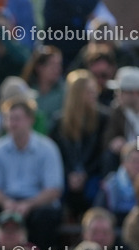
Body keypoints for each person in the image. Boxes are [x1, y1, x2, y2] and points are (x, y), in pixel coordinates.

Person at [0, 97, 64, 248]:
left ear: (30, 120)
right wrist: (6, 202)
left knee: (45, 217)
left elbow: (54, 189)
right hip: (6, 203)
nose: (12, 123)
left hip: (37, 204)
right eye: (9, 119)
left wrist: (29, 204)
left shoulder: (48, 149)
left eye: (17, 119)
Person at [51, 69, 109, 216]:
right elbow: (56, 155)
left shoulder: (103, 119)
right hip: (67, 175)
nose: (94, 94)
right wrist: (69, 174)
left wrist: (85, 174)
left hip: (92, 174)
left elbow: (102, 154)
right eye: (89, 91)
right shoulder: (59, 123)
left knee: (96, 191)